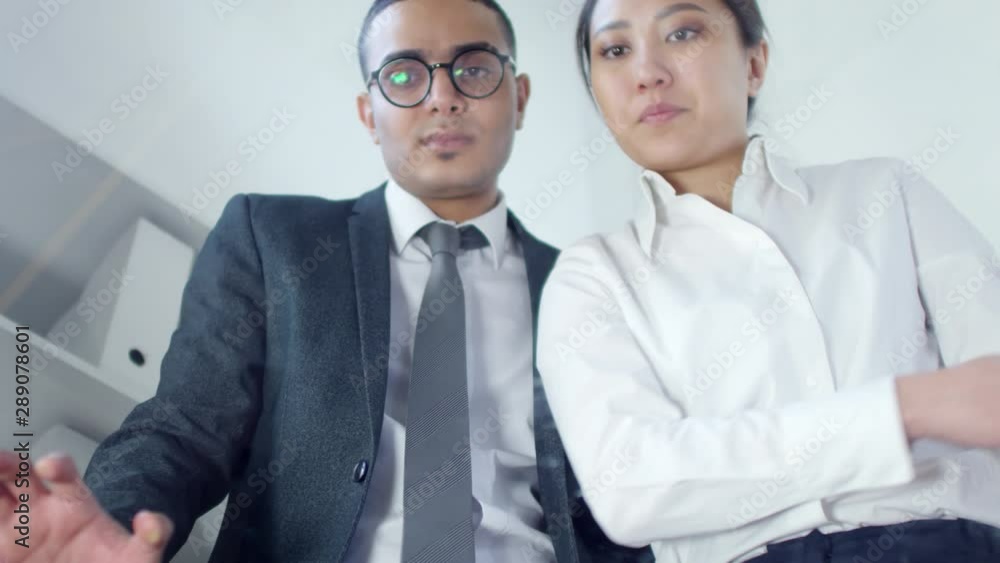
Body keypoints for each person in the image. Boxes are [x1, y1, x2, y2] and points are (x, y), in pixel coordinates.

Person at [0, 1, 653, 562]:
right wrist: (108, 526)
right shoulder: (273, 237)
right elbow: (183, 429)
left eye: (474, 68)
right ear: (370, 113)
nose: (442, 95)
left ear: (520, 96)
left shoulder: (589, 287)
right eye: (404, 74)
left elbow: (628, 503)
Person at [535, 0, 1000, 562]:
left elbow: (989, 395)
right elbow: (633, 490)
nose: (647, 72)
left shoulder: (885, 194)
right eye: (615, 50)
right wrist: (903, 409)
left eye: (682, 33)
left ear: (754, 63)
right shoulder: (591, 278)